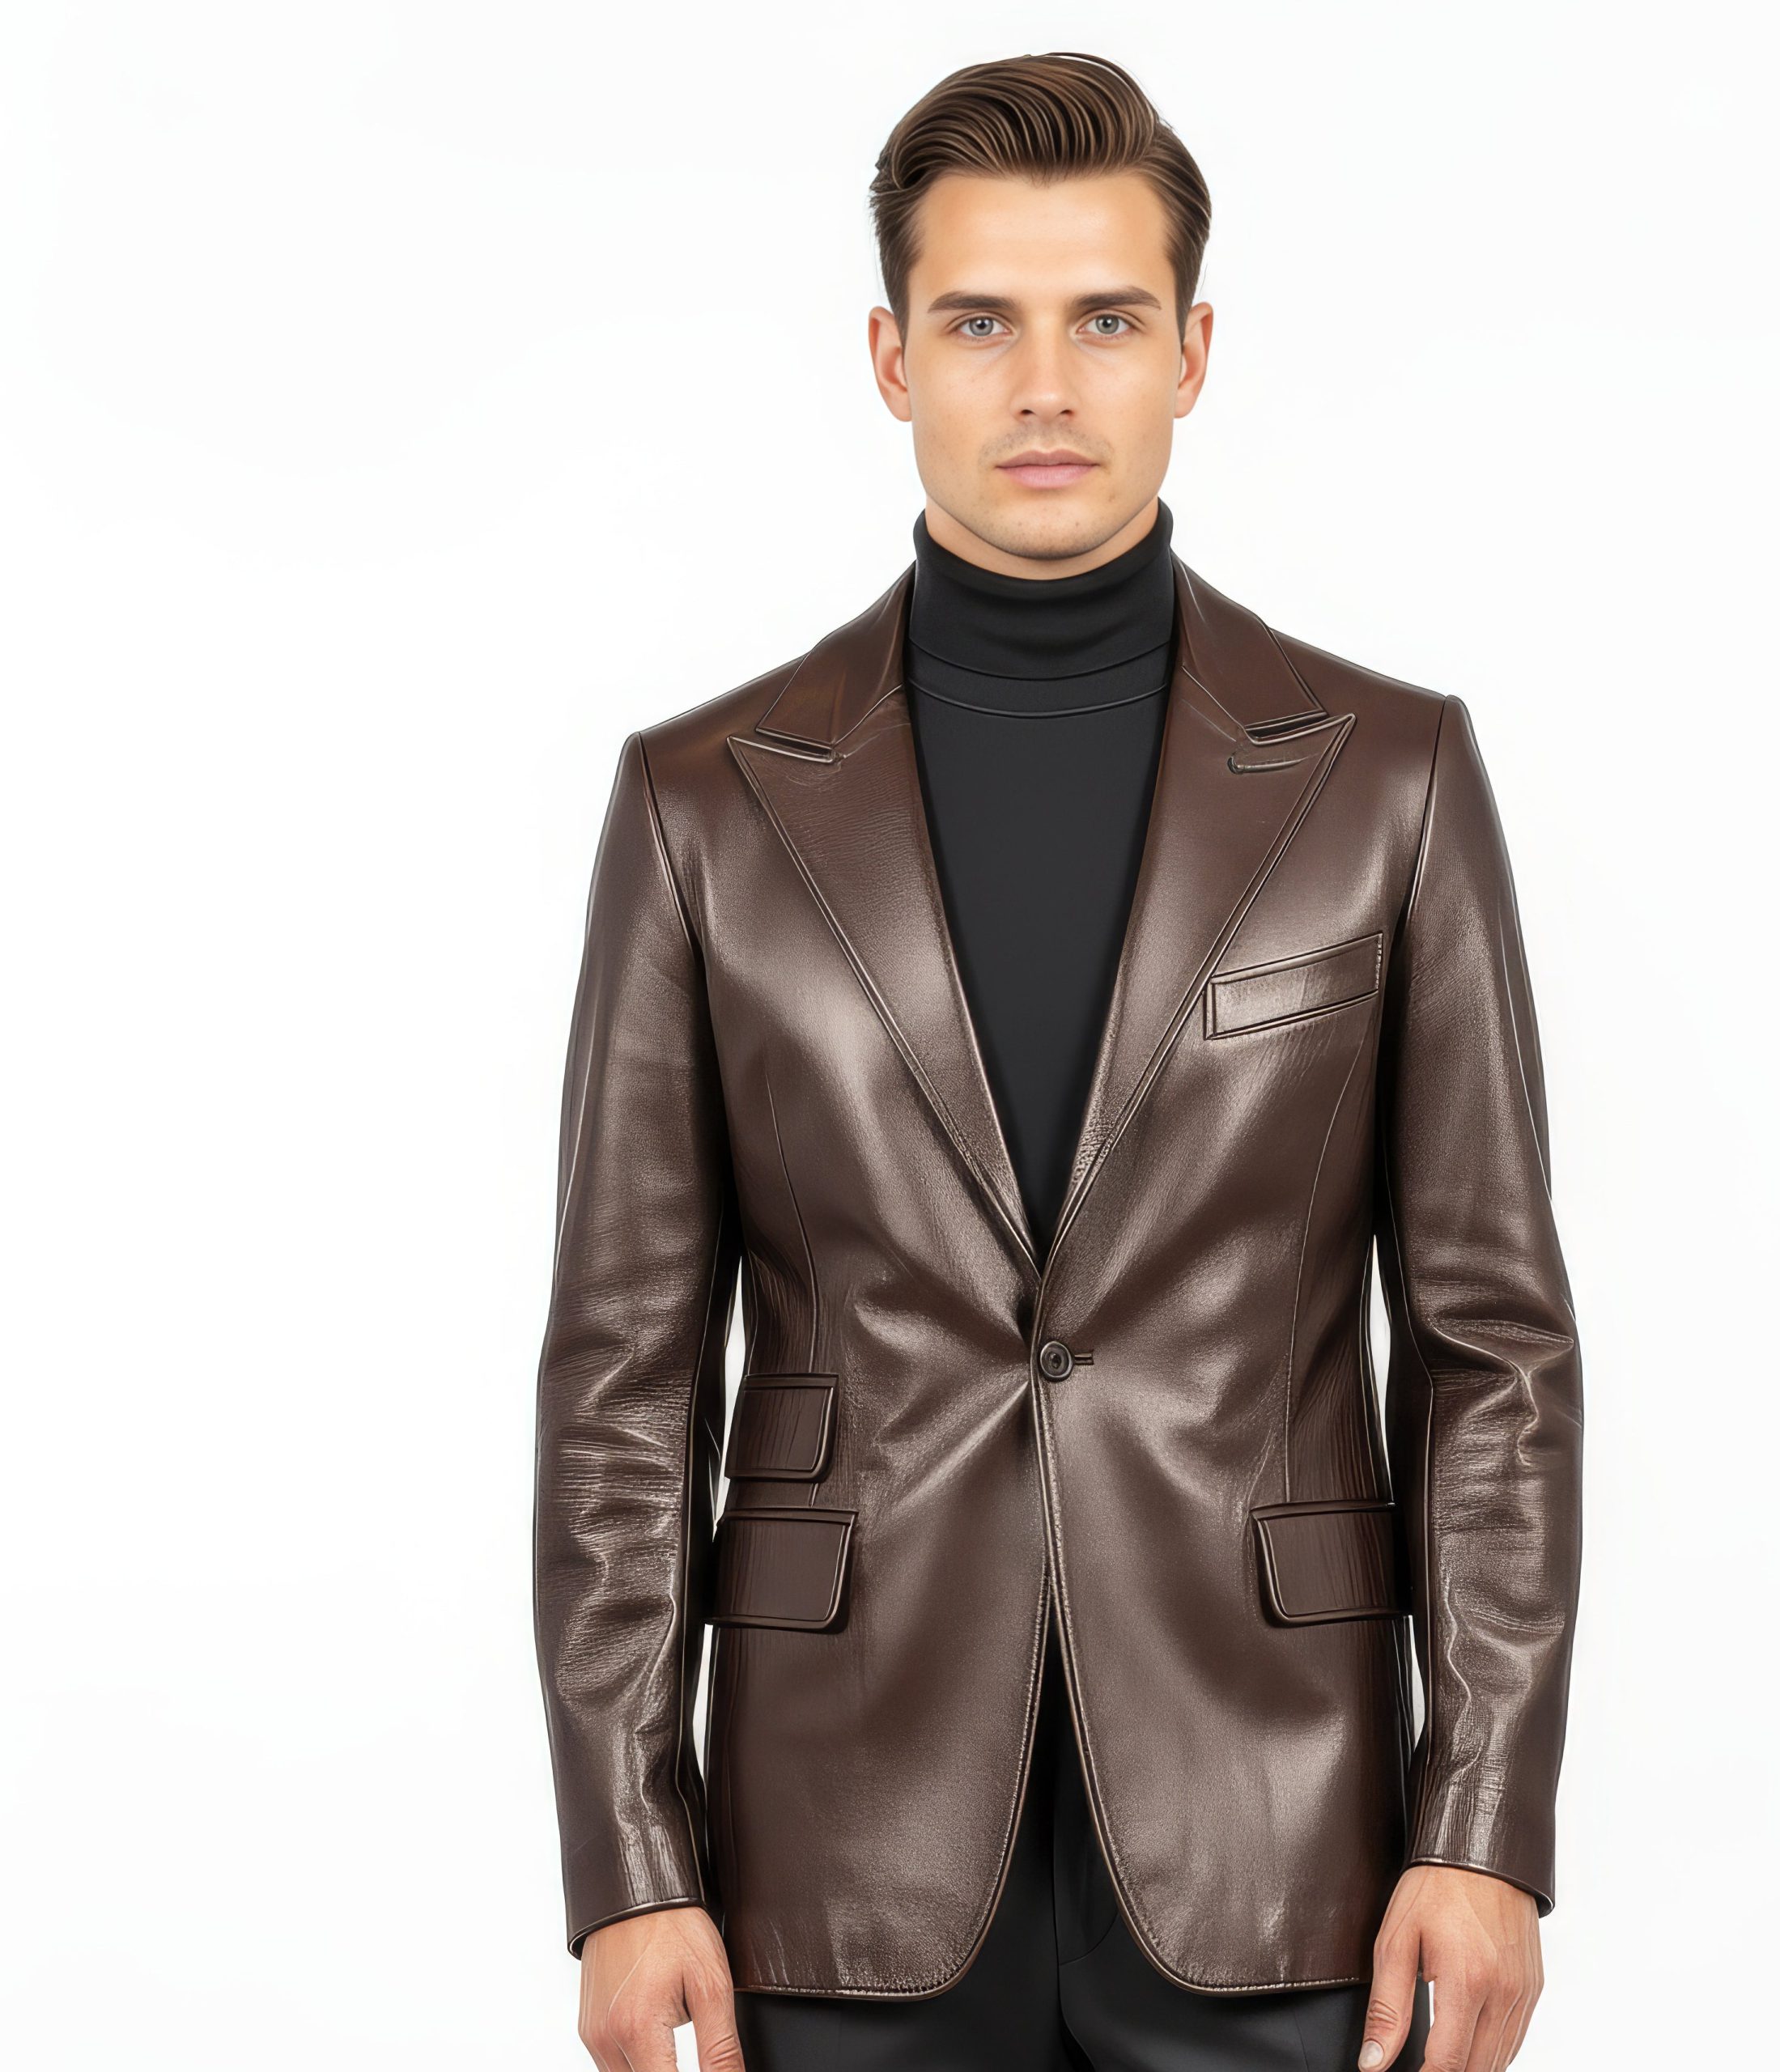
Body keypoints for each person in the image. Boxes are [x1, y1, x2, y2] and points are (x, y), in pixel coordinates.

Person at [533, 49, 1582, 2072]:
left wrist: (1481, 1825)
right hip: (833, 1842)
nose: (1042, 386)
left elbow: (1492, 1351)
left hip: (1277, 1827)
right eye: (977, 323)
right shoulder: (700, 806)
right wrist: (629, 1854)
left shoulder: (1387, 780)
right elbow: (620, 1377)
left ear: (1190, 353)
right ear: (887, 356)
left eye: (1103, 320)